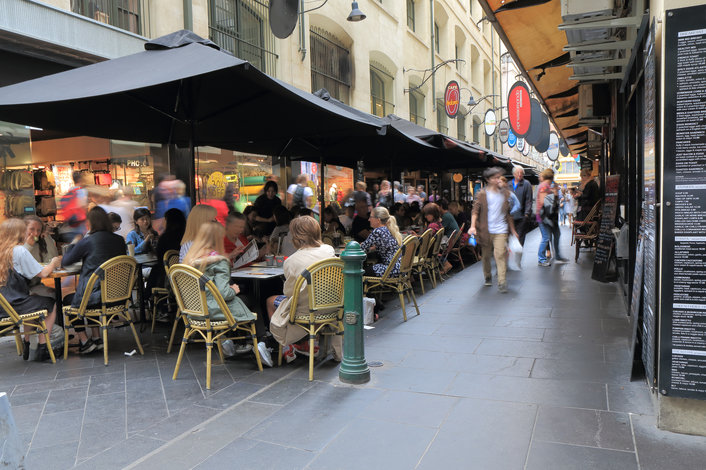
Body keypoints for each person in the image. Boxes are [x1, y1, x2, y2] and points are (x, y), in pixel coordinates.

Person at [183, 222, 265, 364]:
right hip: (214, 311)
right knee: (252, 300)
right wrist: (233, 290)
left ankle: (227, 341)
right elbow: (224, 294)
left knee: (242, 299)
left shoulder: (188, 261)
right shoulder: (218, 261)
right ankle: (262, 344)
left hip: (194, 311)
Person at [266, 216, 338, 363]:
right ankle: (308, 342)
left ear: (296, 237)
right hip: (331, 306)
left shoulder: (291, 261)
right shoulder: (329, 250)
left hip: (306, 312)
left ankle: (287, 346)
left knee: (270, 301)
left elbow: (290, 294)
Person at [62, 207, 126, 354]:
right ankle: (97, 338)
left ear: (90, 223)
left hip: (96, 298)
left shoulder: (88, 241)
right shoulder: (119, 240)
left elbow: (66, 261)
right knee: (92, 295)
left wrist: (74, 242)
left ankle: (85, 341)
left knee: (70, 301)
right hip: (117, 297)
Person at [0, 219, 61, 361]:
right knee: (51, 303)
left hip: (4, 306)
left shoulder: (3, 251)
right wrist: (53, 262)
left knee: (33, 299)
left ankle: (27, 343)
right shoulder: (19, 250)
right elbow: (44, 273)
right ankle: (42, 347)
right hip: (16, 304)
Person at [469, 167, 518, 293]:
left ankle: (502, 281)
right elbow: (475, 211)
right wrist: (473, 226)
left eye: (498, 177)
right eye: (495, 178)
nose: (498, 180)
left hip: (501, 230)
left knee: (499, 254)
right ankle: (487, 276)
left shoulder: (505, 193)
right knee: (485, 256)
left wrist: (512, 230)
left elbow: (508, 214)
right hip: (485, 230)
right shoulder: (482, 194)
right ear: (488, 180)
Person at [147, 208, 186, 321]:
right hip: (185, 275)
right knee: (157, 270)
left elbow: (160, 258)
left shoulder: (165, 237)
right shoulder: (186, 235)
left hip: (168, 278)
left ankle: (154, 304)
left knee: (157, 270)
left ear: (169, 220)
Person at [536, 169, 567, 266]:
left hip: (549, 217)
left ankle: (556, 256)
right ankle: (541, 259)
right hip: (545, 217)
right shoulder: (544, 187)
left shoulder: (546, 186)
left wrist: (555, 193)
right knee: (546, 237)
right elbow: (549, 204)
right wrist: (555, 194)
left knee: (555, 235)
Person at [360, 207, 402, 276]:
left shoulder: (378, 231)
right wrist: (375, 248)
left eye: (371, 217)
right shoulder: (390, 229)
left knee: (362, 272)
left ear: (378, 220)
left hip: (391, 270)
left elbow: (362, 248)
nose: (369, 219)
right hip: (400, 268)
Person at [58, 171, 89, 242]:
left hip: (69, 226)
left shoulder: (68, 193)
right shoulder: (82, 191)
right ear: (81, 180)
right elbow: (83, 206)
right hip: (80, 225)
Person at [511, 166, 533, 246]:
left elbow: (529, 200)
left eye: (521, 173)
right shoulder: (508, 184)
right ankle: (511, 256)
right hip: (510, 217)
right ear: (514, 174)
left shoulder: (526, 184)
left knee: (519, 239)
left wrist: (526, 214)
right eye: (517, 173)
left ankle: (517, 257)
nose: (519, 174)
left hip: (521, 217)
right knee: (510, 239)